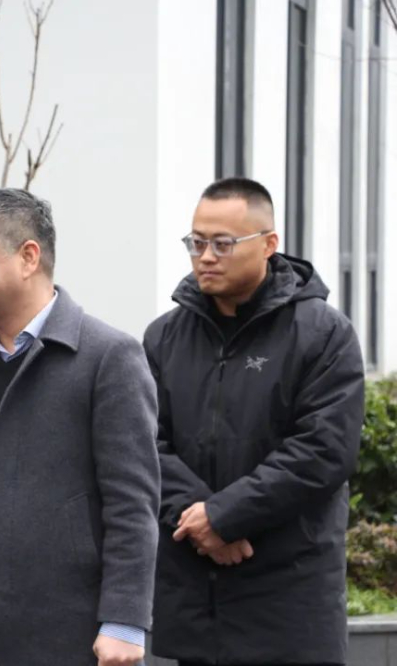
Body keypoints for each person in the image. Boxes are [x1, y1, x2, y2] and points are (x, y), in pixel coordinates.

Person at [0, 189, 160, 666]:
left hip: (67, 634)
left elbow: (131, 505)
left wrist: (124, 622)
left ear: (28, 257)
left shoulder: (108, 357)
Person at [145, 177, 365, 666]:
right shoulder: (163, 338)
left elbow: (323, 451)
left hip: (289, 601)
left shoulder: (323, 334)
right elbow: (143, 443)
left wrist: (225, 517)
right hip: (196, 599)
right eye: (196, 242)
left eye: (223, 244)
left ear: (269, 244)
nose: (205, 256)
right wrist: (200, 519)